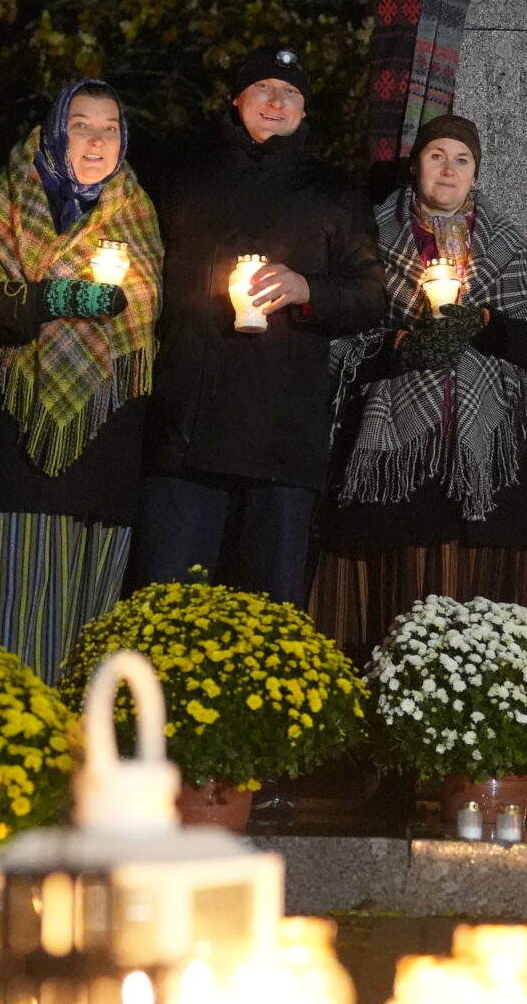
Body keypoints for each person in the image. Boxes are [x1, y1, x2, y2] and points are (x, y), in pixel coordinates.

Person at [312, 116, 527, 658]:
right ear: (415, 166)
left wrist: (486, 322)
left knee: (489, 631)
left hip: (494, 467)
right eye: (437, 155)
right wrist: (400, 349)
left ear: (475, 171)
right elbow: (336, 343)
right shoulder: (372, 238)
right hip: (398, 462)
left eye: (461, 158)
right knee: (399, 618)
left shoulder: (503, 243)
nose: (449, 168)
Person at [142, 46, 384, 602]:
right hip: (186, 432)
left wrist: (307, 291)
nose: (276, 102)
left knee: (268, 620)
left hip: (282, 438)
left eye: (291, 93)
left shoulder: (332, 191)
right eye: (263, 89)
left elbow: (372, 296)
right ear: (237, 99)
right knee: (167, 612)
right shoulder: (184, 179)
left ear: (304, 112)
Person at [0, 81, 162, 676]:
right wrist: (52, 296)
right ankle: (6, 741)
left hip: (108, 440)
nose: (96, 140)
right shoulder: (3, 200)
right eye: (81, 125)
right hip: (21, 436)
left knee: (87, 626)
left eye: (110, 127)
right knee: (13, 607)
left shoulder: (138, 211)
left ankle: (77, 754)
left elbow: (142, 334)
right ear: (54, 130)